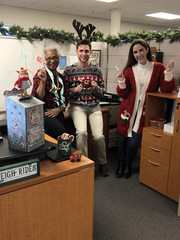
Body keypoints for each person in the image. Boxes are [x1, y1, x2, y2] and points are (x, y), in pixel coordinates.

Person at [116, 39, 175, 179]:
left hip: (145, 111)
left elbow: (167, 90)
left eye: (141, 50)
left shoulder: (158, 67)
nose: (138, 54)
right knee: (123, 139)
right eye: (135, 52)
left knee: (134, 141)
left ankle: (128, 164)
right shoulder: (129, 70)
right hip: (127, 111)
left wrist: (168, 73)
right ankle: (120, 164)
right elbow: (123, 94)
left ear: (147, 50)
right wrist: (121, 80)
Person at [63, 39, 110, 177]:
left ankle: (102, 163)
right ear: (76, 51)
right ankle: (83, 164)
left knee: (98, 136)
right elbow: (64, 93)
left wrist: (96, 88)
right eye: (81, 51)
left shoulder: (97, 70)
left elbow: (102, 93)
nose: (84, 53)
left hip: (94, 106)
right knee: (82, 132)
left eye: (86, 51)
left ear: (90, 52)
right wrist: (74, 91)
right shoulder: (69, 71)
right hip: (77, 106)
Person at [31, 47, 67, 139]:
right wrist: (43, 81)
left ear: (58, 59)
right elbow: (37, 99)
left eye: (54, 57)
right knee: (61, 133)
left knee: (59, 138)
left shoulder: (61, 78)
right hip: (43, 113)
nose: (52, 61)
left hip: (58, 111)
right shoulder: (40, 75)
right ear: (44, 61)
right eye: (49, 58)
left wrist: (58, 110)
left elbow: (65, 98)